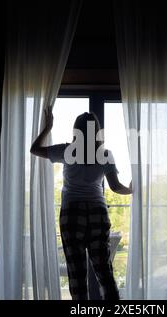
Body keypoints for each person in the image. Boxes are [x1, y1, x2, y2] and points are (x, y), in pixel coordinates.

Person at [30, 110, 132, 300]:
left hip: (72, 213)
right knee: (104, 272)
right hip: (97, 212)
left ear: (76, 130)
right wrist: (131, 190)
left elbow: (34, 149)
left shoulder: (67, 150)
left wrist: (47, 128)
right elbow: (116, 187)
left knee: (77, 275)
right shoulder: (105, 155)